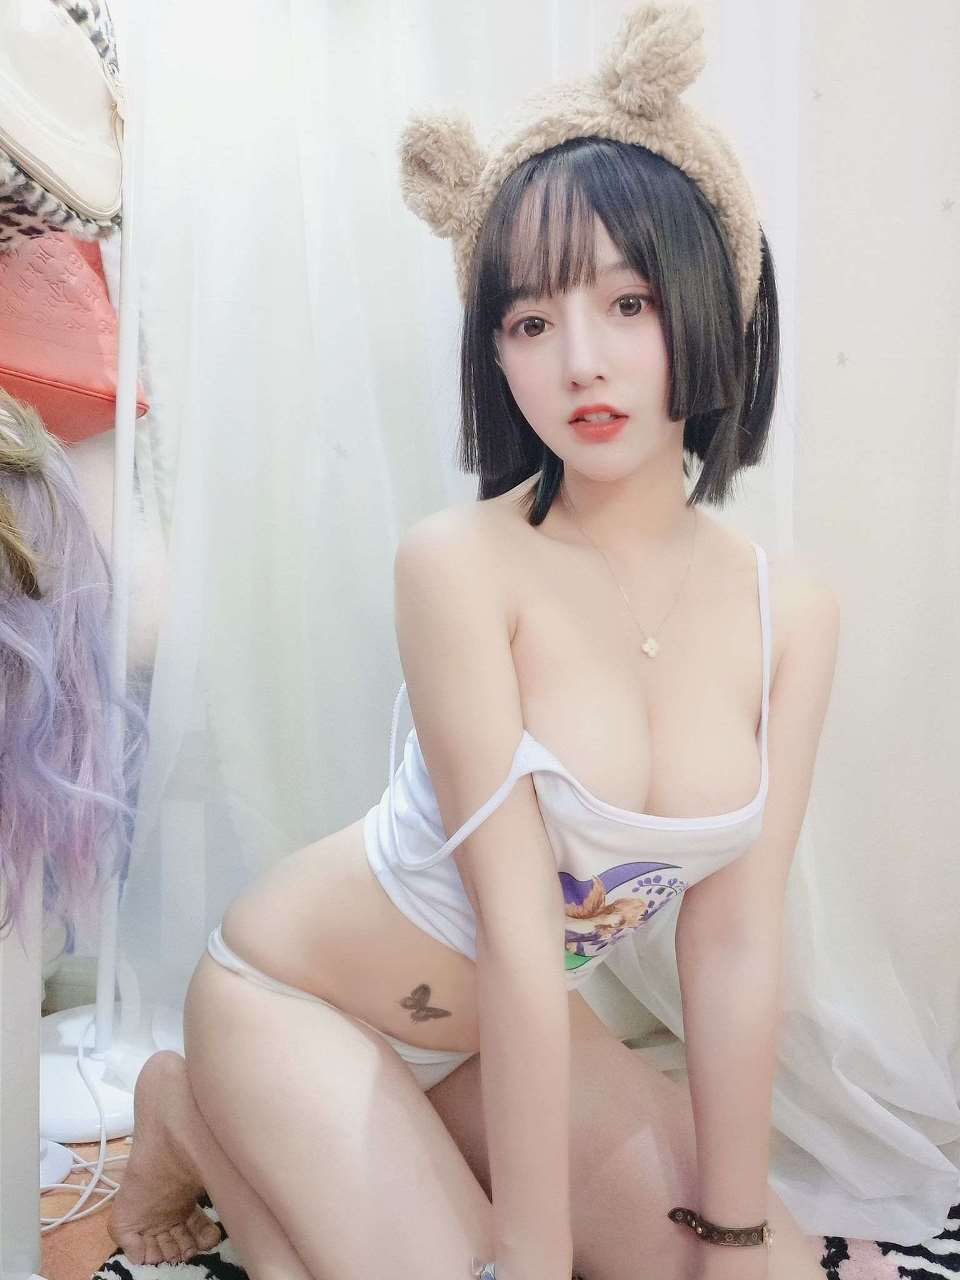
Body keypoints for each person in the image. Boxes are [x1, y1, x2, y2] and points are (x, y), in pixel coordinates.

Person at [107, 5, 839, 1278]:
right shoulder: (461, 564)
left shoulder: (792, 612)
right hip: (301, 994)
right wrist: (531, 1255)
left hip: (495, 1040)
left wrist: (729, 1237)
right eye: (530, 321)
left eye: (628, 300)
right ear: (495, 349)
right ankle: (194, 1110)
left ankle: (381, 1161)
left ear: (710, 304)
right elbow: (513, 926)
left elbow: (731, 943)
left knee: (773, 1265)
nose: (582, 361)